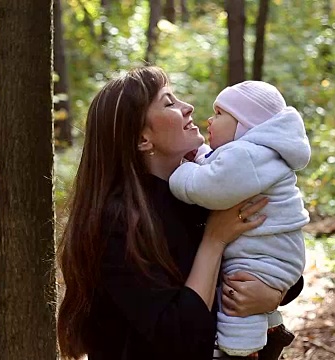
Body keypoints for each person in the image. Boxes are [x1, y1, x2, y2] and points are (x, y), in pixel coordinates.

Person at [56, 67, 299, 360]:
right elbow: (179, 338)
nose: (189, 107)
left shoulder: (208, 186)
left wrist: (272, 296)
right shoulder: (119, 224)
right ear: (142, 139)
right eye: (169, 103)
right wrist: (215, 240)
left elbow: (271, 248)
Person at [169, 81, 311, 357]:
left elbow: (208, 186)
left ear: (245, 125)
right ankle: (268, 332)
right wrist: (195, 159)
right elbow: (215, 165)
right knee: (242, 295)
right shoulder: (251, 155)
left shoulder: (249, 155)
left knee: (238, 300)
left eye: (220, 113)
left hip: (264, 256)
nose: (209, 119)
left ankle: (240, 351)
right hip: (274, 253)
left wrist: (181, 171)